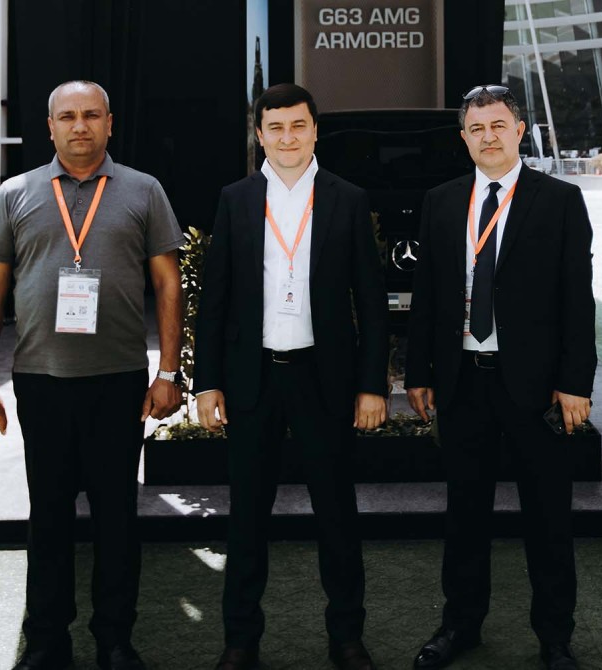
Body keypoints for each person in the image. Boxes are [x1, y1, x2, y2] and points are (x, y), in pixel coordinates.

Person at [0, 80, 185, 670]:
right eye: (68, 116)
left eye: (91, 115)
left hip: (119, 383)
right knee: (49, 517)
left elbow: (168, 283)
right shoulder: (15, 193)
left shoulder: (144, 190)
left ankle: (115, 639)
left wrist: (168, 371)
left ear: (110, 123)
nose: (80, 125)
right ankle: (46, 641)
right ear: (50, 126)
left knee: (117, 518)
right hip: (41, 381)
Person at [194, 83, 388, 670]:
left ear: (315, 130)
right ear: (259, 135)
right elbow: (215, 299)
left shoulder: (347, 199)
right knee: (246, 519)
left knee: (337, 515)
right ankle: (240, 641)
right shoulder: (235, 199)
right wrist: (207, 381)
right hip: (253, 380)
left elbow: (371, 302)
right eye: (275, 127)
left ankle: (347, 637)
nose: (287, 138)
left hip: (323, 379)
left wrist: (372, 385)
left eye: (298, 125)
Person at [405, 84, 595, 670]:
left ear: (519, 130)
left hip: (537, 388)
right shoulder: (440, 201)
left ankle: (555, 636)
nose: (487, 137)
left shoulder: (560, 200)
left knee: (548, 517)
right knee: (465, 515)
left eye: (497, 125)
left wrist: (576, 382)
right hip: (463, 381)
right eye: (476, 128)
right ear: (463, 137)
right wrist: (418, 371)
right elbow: (426, 294)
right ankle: (459, 626)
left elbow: (577, 299)